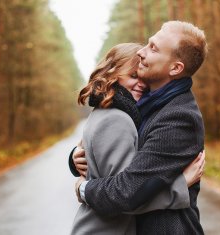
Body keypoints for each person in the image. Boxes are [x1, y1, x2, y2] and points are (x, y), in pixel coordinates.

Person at [69, 42, 205, 234]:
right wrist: (180, 186)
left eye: (143, 79)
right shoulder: (117, 118)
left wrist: (73, 159)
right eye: (133, 76)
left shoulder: (106, 111)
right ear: (112, 74)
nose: (141, 84)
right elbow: (125, 198)